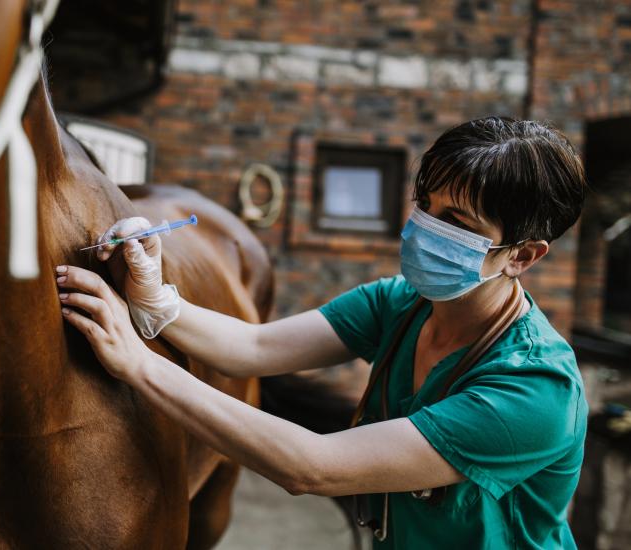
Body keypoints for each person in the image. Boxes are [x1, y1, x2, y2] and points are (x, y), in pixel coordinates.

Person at [54, 117, 588, 549]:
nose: (427, 228)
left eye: (459, 223)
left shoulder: (534, 391)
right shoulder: (401, 303)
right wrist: (158, 300)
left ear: (522, 256)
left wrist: (141, 363)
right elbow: (255, 347)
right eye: (426, 206)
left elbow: (313, 466)